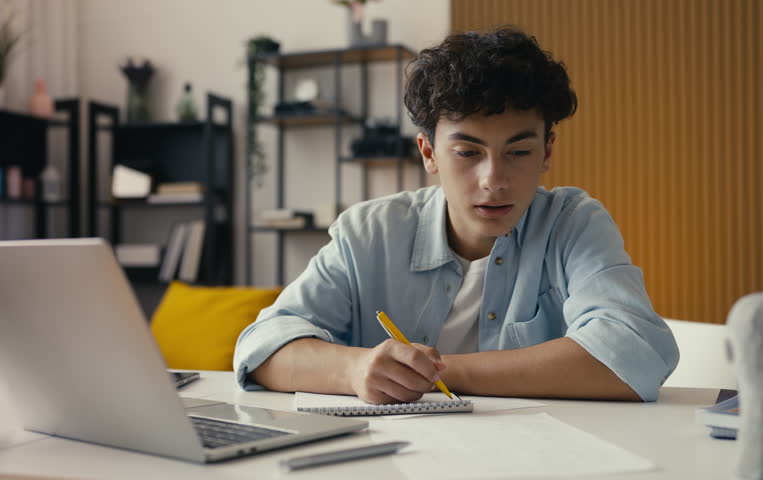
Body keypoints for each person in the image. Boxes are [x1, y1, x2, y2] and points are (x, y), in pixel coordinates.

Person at [234, 27, 679, 404]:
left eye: (519, 152)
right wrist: (355, 369)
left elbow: (634, 352)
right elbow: (262, 348)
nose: (493, 180)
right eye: (468, 152)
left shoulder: (572, 223)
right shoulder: (369, 232)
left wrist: (438, 373)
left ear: (547, 151)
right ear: (428, 152)